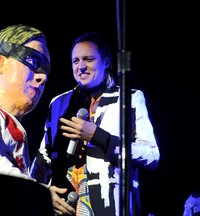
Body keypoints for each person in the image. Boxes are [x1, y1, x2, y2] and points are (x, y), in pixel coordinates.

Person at [30, 31, 160, 216]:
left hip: (110, 207)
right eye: (75, 61)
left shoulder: (128, 98)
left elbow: (152, 156)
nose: (81, 66)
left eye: (88, 59)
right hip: (64, 208)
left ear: (106, 62)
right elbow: (43, 157)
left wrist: (99, 137)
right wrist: (41, 192)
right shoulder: (59, 103)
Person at [0, 24, 75, 215]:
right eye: (34, 62)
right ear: (0, 63)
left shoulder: (14, 127)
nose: (43, 77)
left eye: (46, 70)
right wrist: (39, 193)